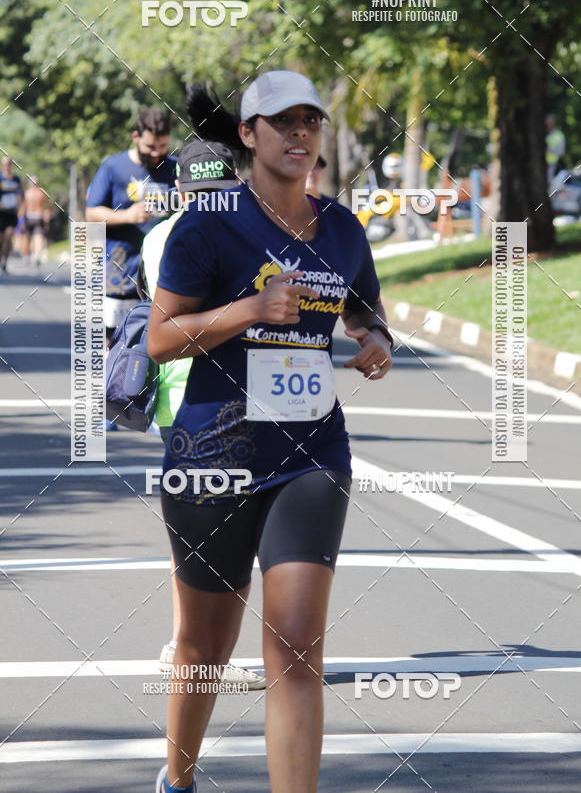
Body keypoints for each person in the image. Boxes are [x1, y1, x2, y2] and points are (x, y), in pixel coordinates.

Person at [148, 70, 393, 793]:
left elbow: (366, 310)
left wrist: (375, 340)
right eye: (281, 122)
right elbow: (161, 340)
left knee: (293, 648)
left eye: (310, 121)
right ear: (248, 135)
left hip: (311, 454)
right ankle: (178, 779)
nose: (300, 134)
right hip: (212, 455)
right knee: (203, 645)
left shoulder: (341, 229)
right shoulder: (209, 223)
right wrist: (251, 310)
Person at [139, 130, 266, 693]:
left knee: (202, 529)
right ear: (184, 191)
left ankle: (188, 644)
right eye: (204, 193)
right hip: (201, 394)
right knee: (216, 531)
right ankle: (196, 647)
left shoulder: (162, 235)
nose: (212, 201)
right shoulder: (189, 237)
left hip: (205, 394)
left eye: (221, 190)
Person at [86, 107, 177, 338]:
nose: (156, 154)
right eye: (150, 147)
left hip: (163, 269)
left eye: (163, 147)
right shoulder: (113, 168)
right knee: (115, 338)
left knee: (155, 336)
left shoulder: (176, 168)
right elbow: (92, 213)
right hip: (120, 269)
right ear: (136, 137)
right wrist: (126, 216)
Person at [19, 176, 53, 265]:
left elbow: (23, 207)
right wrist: (47, 213)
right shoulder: (42, 192)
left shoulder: (27, 193)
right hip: (38, 216)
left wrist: (20, 219)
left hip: (30, 216)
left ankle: (27, 255)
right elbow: (49, 205)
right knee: (38, 236)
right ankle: (35, 255)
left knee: (28, 237)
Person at [0, 155, 24, 272]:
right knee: (1, 239)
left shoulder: (16, 180)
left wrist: (21, 209)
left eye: (9, 163)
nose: (7, 166)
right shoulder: (0, 179)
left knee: (9, 236)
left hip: (12, 213)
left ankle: (5, 261)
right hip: (1, 213)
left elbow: (20, 195)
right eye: (5, 164)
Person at [545, 115, 566, 184]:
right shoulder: (539, 134)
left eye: (549, 123)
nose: (548, 125)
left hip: (553, 166)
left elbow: (561, 152)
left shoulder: (559, 135)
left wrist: (548, 148)